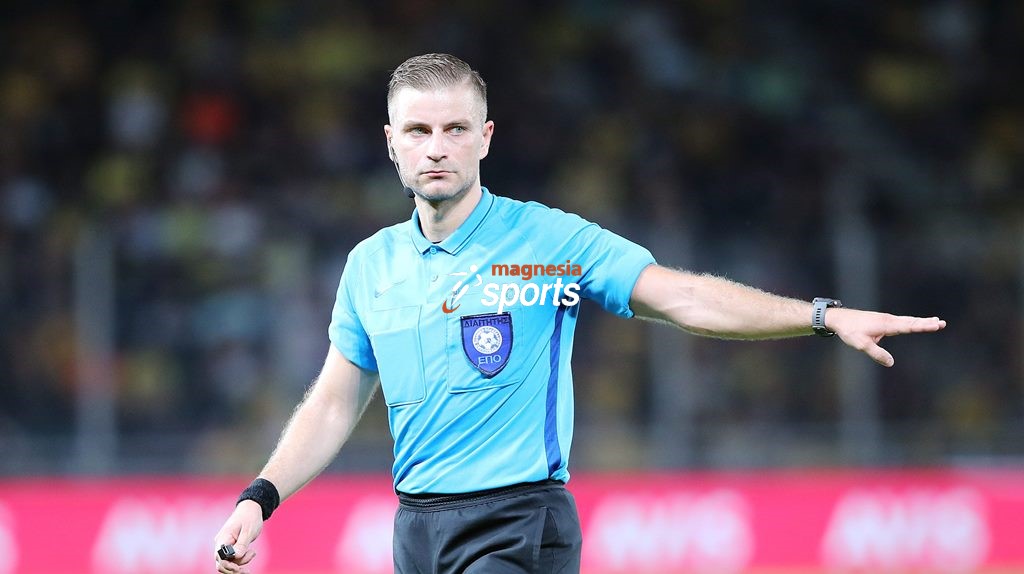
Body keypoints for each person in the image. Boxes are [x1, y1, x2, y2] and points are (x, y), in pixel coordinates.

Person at [213, 53, 946, 574]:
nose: (437, 149)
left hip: (518, 525)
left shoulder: (549, 241)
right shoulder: (370, 265)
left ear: (485, 137)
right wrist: (261, 496)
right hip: (416, 531)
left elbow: (682, 295)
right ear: (391, 144)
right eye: (418, 131)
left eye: (456, 129)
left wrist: (822, 315)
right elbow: (335, 402)